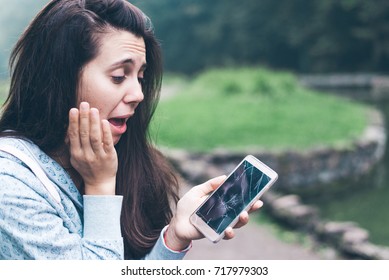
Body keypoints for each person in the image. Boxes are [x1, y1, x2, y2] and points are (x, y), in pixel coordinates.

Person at [0, 0, 262, 260]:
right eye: (118, 77)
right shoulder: (10, 184)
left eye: (140, 78)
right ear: (59, 77)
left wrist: (175, 237)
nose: (138, 94)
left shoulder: (126, 160)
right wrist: (100, 186)